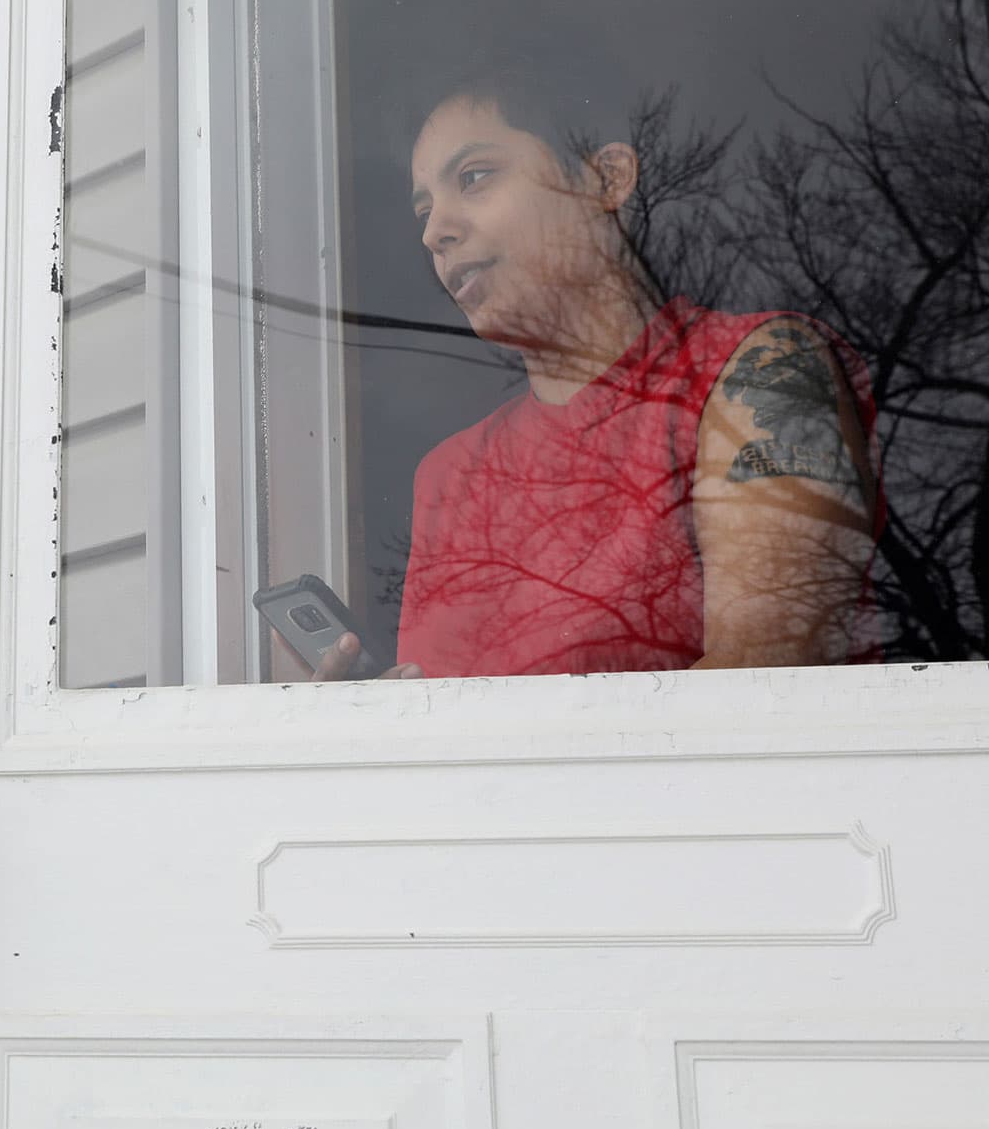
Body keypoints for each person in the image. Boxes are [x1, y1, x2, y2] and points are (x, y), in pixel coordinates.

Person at [312, 69, 882, 680]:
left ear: (604, 179)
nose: (434, 232)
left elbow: (761, 686)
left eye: (473, 178)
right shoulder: (448, 480)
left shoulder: (758, 369)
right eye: (424, 209)